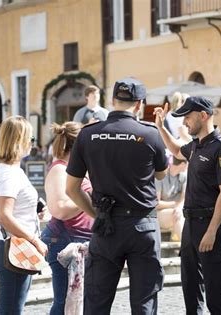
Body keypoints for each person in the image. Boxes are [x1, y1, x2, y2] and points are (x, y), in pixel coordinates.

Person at [66, 77, 168, 314]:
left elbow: (71, 189)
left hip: (106, 226)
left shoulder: (88, 134)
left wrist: (96, 213)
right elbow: (162, 175)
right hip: (143, 226)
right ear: (139, 104)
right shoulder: (150, 134)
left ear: (112, 100)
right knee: (144, 301)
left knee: (97, 302)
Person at [154, 96, 221, 314]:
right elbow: (175, 150)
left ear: (203, 115)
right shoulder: (197, 145)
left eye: (188, 117)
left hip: (210, 224)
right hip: (190, 224)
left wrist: (211, 232)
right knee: (191, 290)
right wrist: (161, 128)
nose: (185, 122)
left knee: (216, 295)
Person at [0, 116, 48, 314]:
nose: (33, 144)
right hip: (13, 246)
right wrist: (34, 240)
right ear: (19, 141)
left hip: (14, 245)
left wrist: (35, 209)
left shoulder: (11, 169)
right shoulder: (9, 173)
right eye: (31, 139)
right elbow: (4, 216)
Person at [41, 121, 93, 315]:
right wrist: (91, 197)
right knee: (64, 303)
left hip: (82, 241)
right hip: (64, 241)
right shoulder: (59, 170)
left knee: (79, 303)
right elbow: (60, 210)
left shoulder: (78, 169)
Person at [155, 156, 187, 241]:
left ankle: (188, 247)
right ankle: (189, 249)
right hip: (159, 214)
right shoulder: (160, 176)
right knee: (176, 215)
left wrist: (178, 207)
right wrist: (176, 204)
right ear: (183, 164)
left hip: (178, 211)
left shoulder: (183, 177)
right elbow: (156, 203)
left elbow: (184, 199)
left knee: (180, 214)